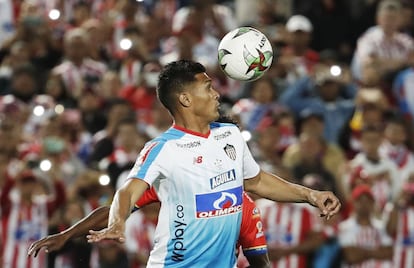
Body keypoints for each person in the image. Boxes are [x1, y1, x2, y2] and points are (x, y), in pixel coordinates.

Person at [30, 60, 340, 267]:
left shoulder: (230, 135)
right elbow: (126, 194)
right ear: (186, 100)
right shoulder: (163, 150)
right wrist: (114, 224)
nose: (217, 94)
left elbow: (257, 182)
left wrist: (310, 195)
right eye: (207, 87)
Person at [28, 187, 269, 268]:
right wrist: (67, 234)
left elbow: (259, 261)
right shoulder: (172, 184)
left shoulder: (242, 205)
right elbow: (115, 209)